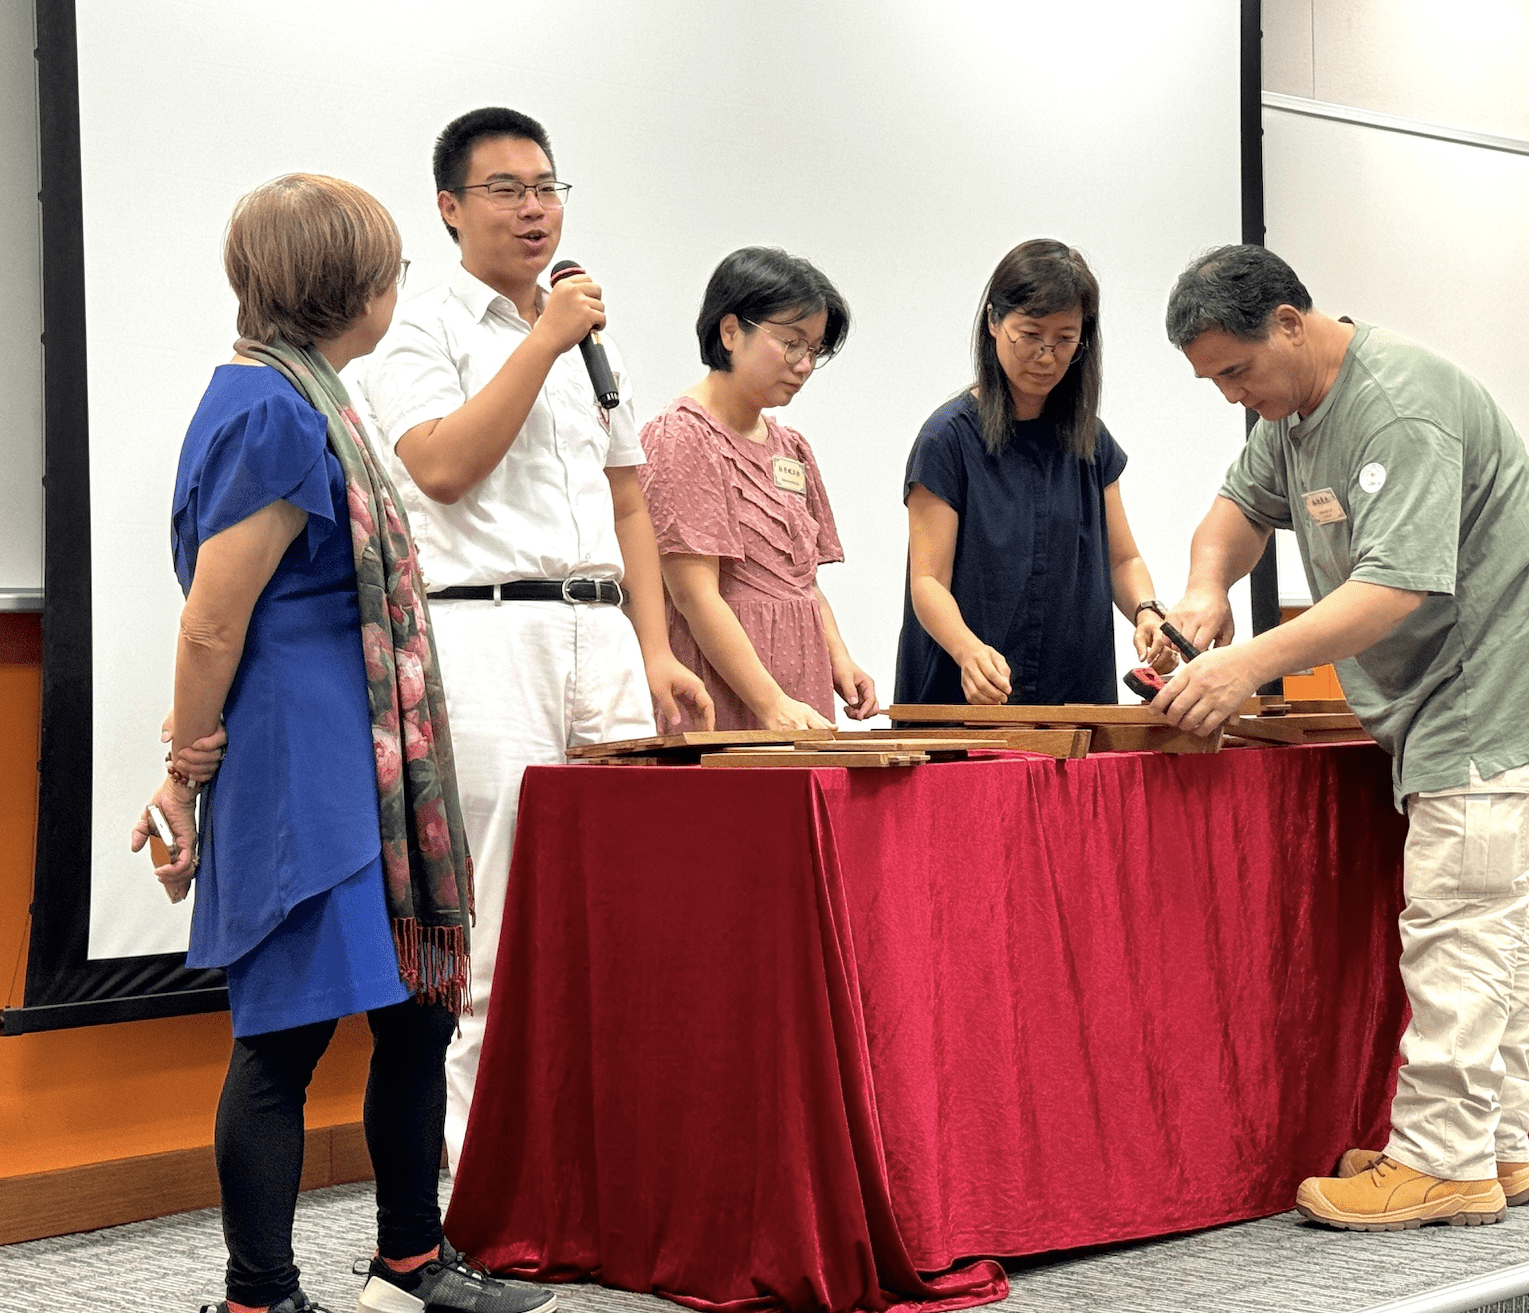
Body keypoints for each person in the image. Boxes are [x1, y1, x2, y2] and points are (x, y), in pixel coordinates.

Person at [134, 174, 555, 1313]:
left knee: (417, 1006)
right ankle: (253, 1311)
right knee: (285, 1034)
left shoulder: (310, 390)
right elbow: (215, 622)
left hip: (367, 750)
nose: (396, 289)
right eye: (388, 271)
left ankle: (407, 1260)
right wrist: (183, 765)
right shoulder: (271, 407)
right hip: (301, 759)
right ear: (353, 290)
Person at [1154, 244, 1529, 1232]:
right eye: (1213, 380)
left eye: (1236, 369)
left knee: (1456, 914)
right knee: (1493, 920)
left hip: (1491, 682)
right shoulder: (1294, 410)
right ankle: (1489, 1143)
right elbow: (1234, 512)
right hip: (1456, 690)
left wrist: (1242, 666)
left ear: (1288, 320)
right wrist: (1201, 595)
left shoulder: (1395, 403)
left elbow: (1396, 586)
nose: (1234, 394)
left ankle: (1440, 1159)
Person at [357, 107, 713, 1171]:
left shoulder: (584, 336)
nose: (533, 207)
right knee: (493, 937)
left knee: (621, 921)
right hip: (487, 636)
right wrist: (543, 340)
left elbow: (630, 505)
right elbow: (441, 467)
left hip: (598, 637)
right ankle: (472, 1199)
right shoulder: (428, 329)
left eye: (547, 187)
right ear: (450, 208)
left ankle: (598, 1173)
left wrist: (655, 652)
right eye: (506, 188)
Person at [894, 238, 1178, 708]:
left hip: (1074, 688)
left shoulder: (1090, 439)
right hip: (968, 694)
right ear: (992, 321)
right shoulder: (947, 439)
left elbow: (1122, 560)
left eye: (1065, 340)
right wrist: (969, 652)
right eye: (1030, 335)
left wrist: (1147, 611)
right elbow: (927, 581)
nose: (1047, 356)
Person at [638, 247, 876, 731]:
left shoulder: (791, 447)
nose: (804, 364)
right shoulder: (683, 435)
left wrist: (840, 658)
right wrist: (768, 702)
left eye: (814, 349)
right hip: (730, 690)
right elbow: (692, 593)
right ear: (730, 331)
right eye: (791, 343)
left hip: (797, 694)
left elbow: (803, 580)